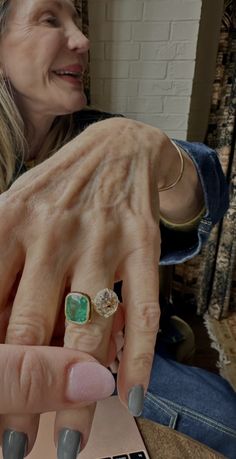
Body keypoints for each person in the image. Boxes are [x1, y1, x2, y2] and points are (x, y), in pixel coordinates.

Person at [0, 0, 235, 458]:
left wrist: (146, 148)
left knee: (224, 416)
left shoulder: (102, 134)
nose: (82, 41)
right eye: (50, 19)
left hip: (111, 348)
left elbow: (204, 196)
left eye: (77, 22)